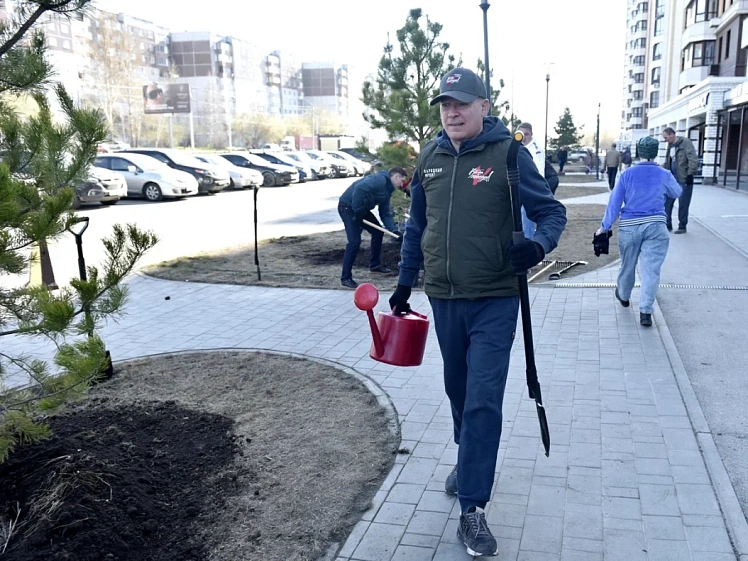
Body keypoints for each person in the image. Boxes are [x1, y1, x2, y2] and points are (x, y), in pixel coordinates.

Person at [388, 67, 566, 557]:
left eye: (461, 103)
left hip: (495, 297)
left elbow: (551, 212)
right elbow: (417, 226)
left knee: (483, 398)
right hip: (444, 297)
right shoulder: (430, 157)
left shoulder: (508, 153)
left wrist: (538, 245)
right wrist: (404, 281)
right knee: (458, 391)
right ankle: (469, 458)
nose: (452, 112)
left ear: (484, 107)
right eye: (446, 104)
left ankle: (473, 506)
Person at [595, 136, 682, 327]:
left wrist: (604, 227)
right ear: (655, 152)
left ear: (638, 152)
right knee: (651, 269)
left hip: (630, 226)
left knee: (628, 264)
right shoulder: (664, 173)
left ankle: (624, 295)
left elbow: (614, 203)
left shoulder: (627, 174)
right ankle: (646, 311)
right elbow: (676, 192)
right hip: (656, 225)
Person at [338, 167, 407, 289]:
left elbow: (384, 213)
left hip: (361, 209)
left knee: (378, 232)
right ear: (396, 176)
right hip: (347, 207)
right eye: (402, 180)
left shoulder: (388, 190)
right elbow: (359, 189)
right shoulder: (379, 180)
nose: (402, 185)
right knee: (354, 241)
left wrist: (394, 230)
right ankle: (345, 278)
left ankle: (374, 265)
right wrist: (358, 212)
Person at [662, 127, 698, 234]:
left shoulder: (685, 143)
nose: (665, 140)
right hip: (672, 179)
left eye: (666, 137)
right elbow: (668, 161)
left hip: (684, 178)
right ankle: (667, 224)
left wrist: (690, 174)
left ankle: (682, 226)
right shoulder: (670, 146)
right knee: (667, 202)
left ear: (672, 134)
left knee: (683, 203)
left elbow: (693, 159)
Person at [518, 122, 545, 239]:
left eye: (527, 134)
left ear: (531, 134)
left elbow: (539, 171)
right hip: (521, 188)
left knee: (527, 223)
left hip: (530, 189)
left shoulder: (535, 150)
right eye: (521, 134)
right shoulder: (520, 147)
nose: (524, 137)